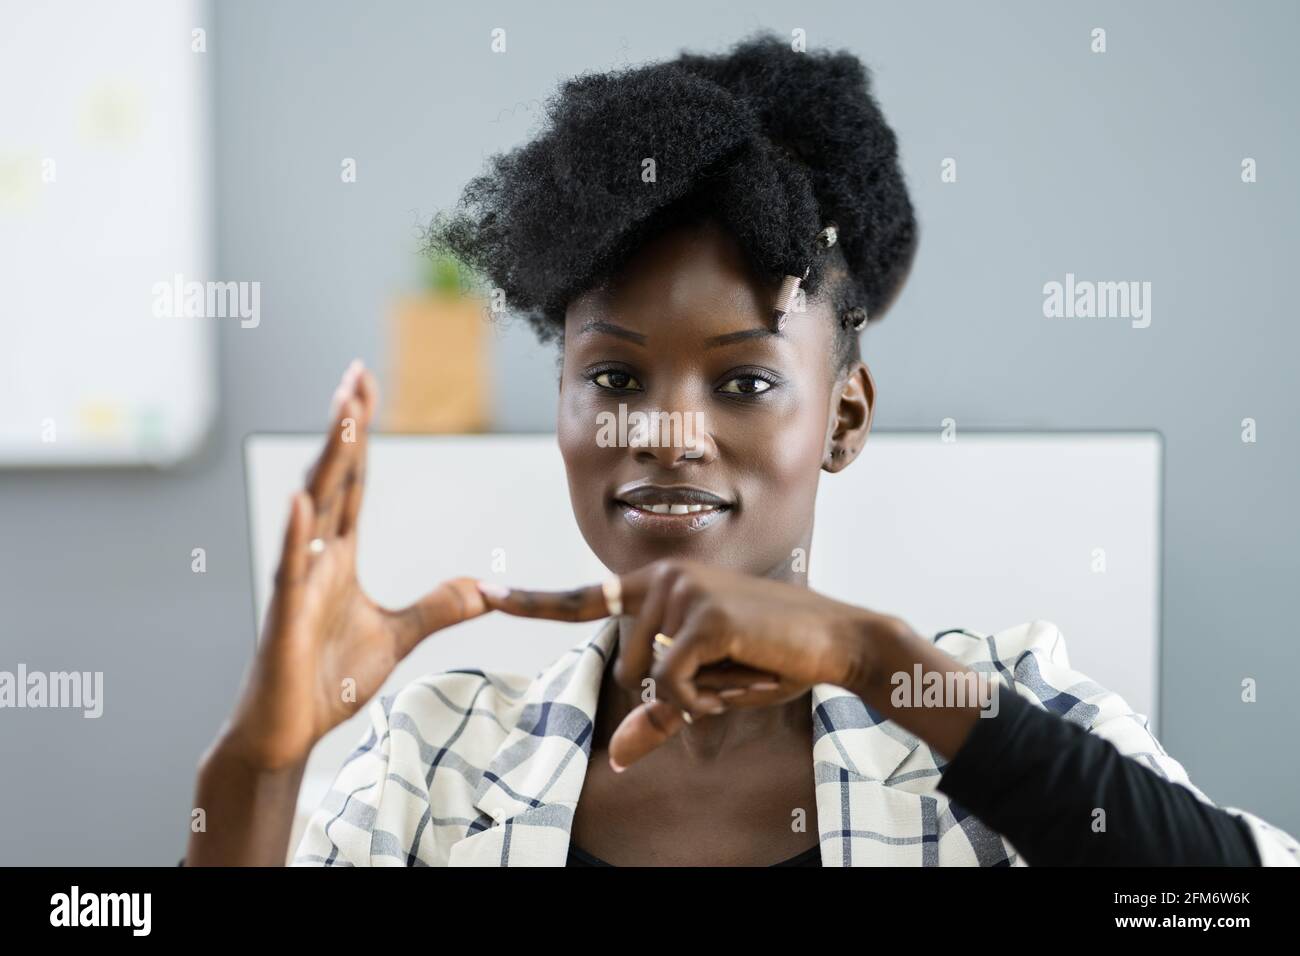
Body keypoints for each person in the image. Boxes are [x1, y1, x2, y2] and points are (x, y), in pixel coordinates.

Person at [185, 33, 1300, 867]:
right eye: (614, 377)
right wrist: (259, 764)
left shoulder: (985, 709)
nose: (669, 431)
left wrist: (871, 657)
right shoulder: (432, 756)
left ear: (844, 417)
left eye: (744, 381)